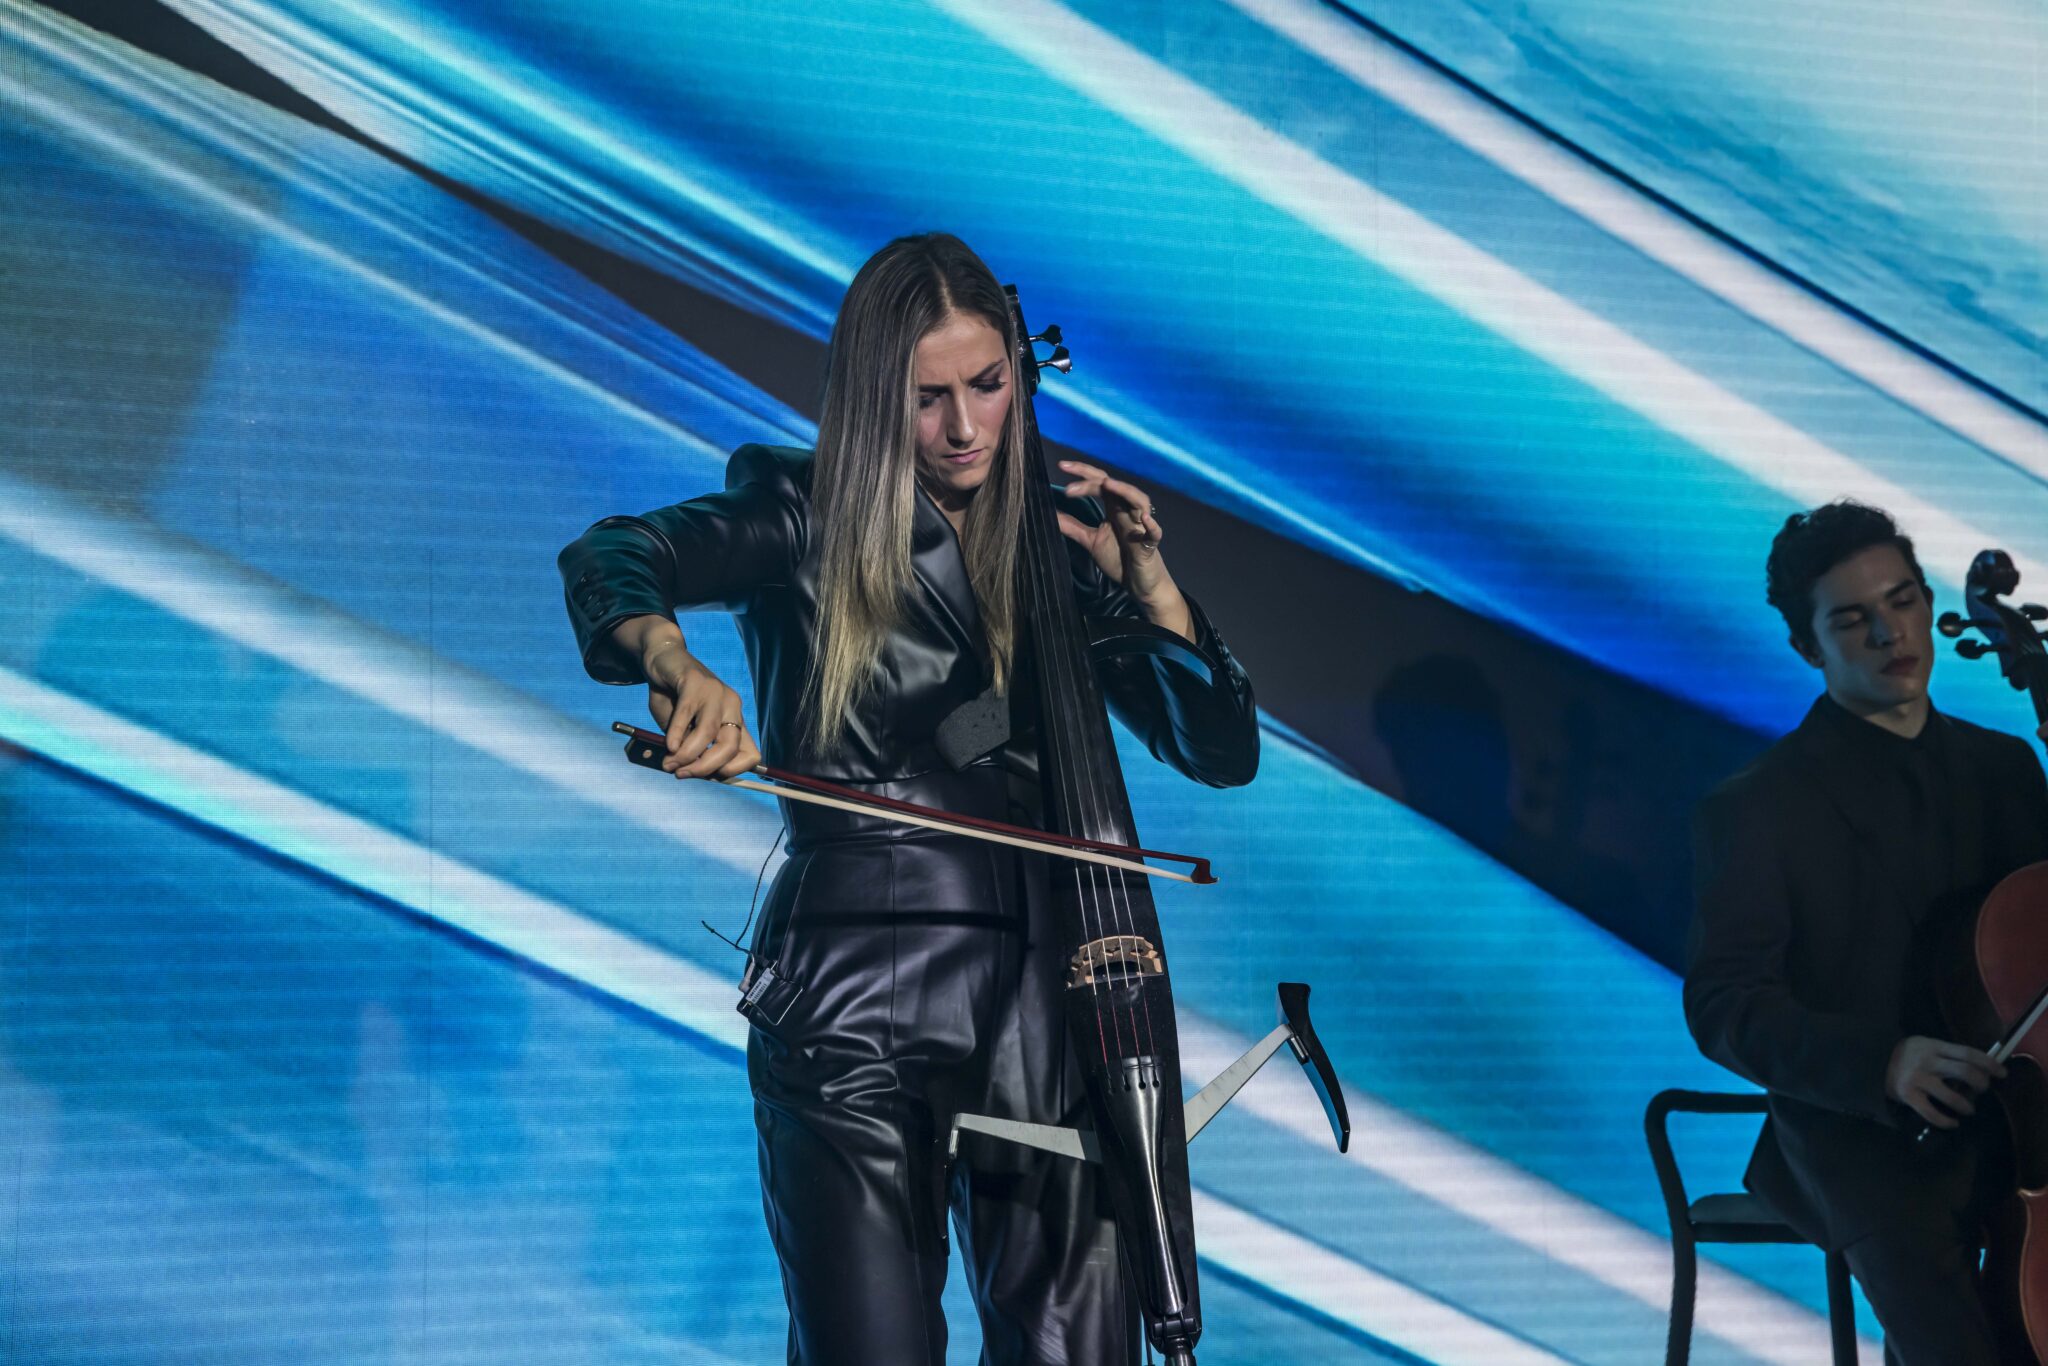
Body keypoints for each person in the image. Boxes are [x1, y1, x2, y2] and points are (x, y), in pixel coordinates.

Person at [557, 233, 1258, 1366]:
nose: (966, 427)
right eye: (928, 399)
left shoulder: (1055, 548)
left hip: (1049, 988)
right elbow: (617, 553)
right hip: (855, 990)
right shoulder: (802, 506)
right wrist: (671, 660)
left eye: (987, 386)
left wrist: (1152, 591)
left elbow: (1215, 747)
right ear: (873, 395)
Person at [1685, 501, 2048, 1364]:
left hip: (2022, 1113)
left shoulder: (2007, 769)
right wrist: (1885, 1063)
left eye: (1903, 601)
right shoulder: (1760, 805)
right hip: (1872, 1137)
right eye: (1853, 620)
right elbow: (1726, 1004)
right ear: (1807, 648)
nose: (1891, 634)